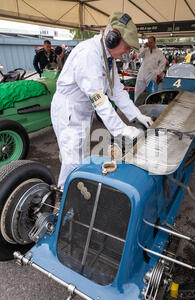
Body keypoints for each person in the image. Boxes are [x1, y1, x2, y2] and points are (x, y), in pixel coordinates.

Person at [50, 12, 153, 188]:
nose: (128, 52)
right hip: (69, 113)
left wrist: (137, 115)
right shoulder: (88, 54)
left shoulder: (108, 57)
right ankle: (61, 198)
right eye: (127, 47)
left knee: (80, 158)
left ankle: (70, 193)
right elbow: (98, 98)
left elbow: (117, 91)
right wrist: (121, 130)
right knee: (72, 161)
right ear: (113, 38)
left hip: (82, 113)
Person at [134, 36, 166, 101]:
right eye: (148, 42)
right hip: (142, 72)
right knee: (137, 91)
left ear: (154, 42)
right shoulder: (145, 50)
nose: (150, 44)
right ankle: (136, 105)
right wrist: (143, 47)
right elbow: (138, 56)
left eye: (151, 42)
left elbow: (163, 63)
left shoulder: (159, 52)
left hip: (151, 74)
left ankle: (150, 106)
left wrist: (156, 72)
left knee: (151, 92)